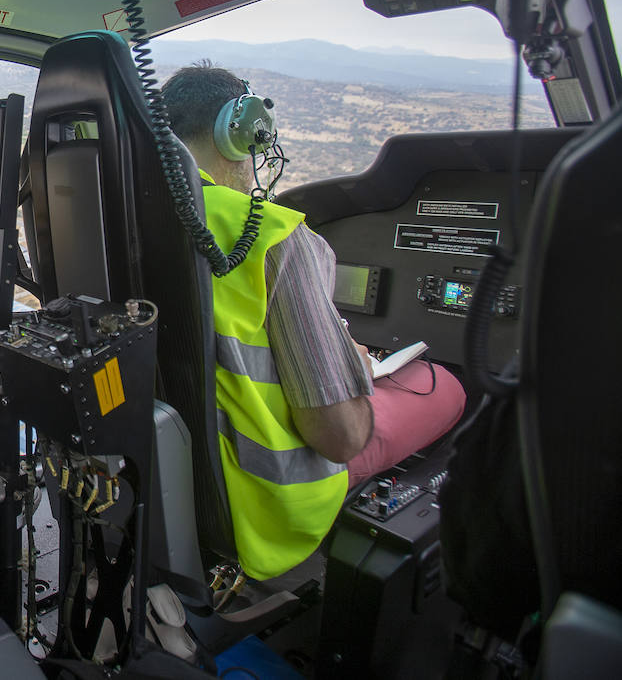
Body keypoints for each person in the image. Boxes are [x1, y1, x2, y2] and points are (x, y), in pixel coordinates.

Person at [158, 63, 466, 581]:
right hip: (263, 493)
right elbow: (338, 436)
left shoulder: (128, 213)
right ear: (240, 133)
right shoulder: (271, 234)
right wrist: (351, 368)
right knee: (447, 387)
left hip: (166, 467)